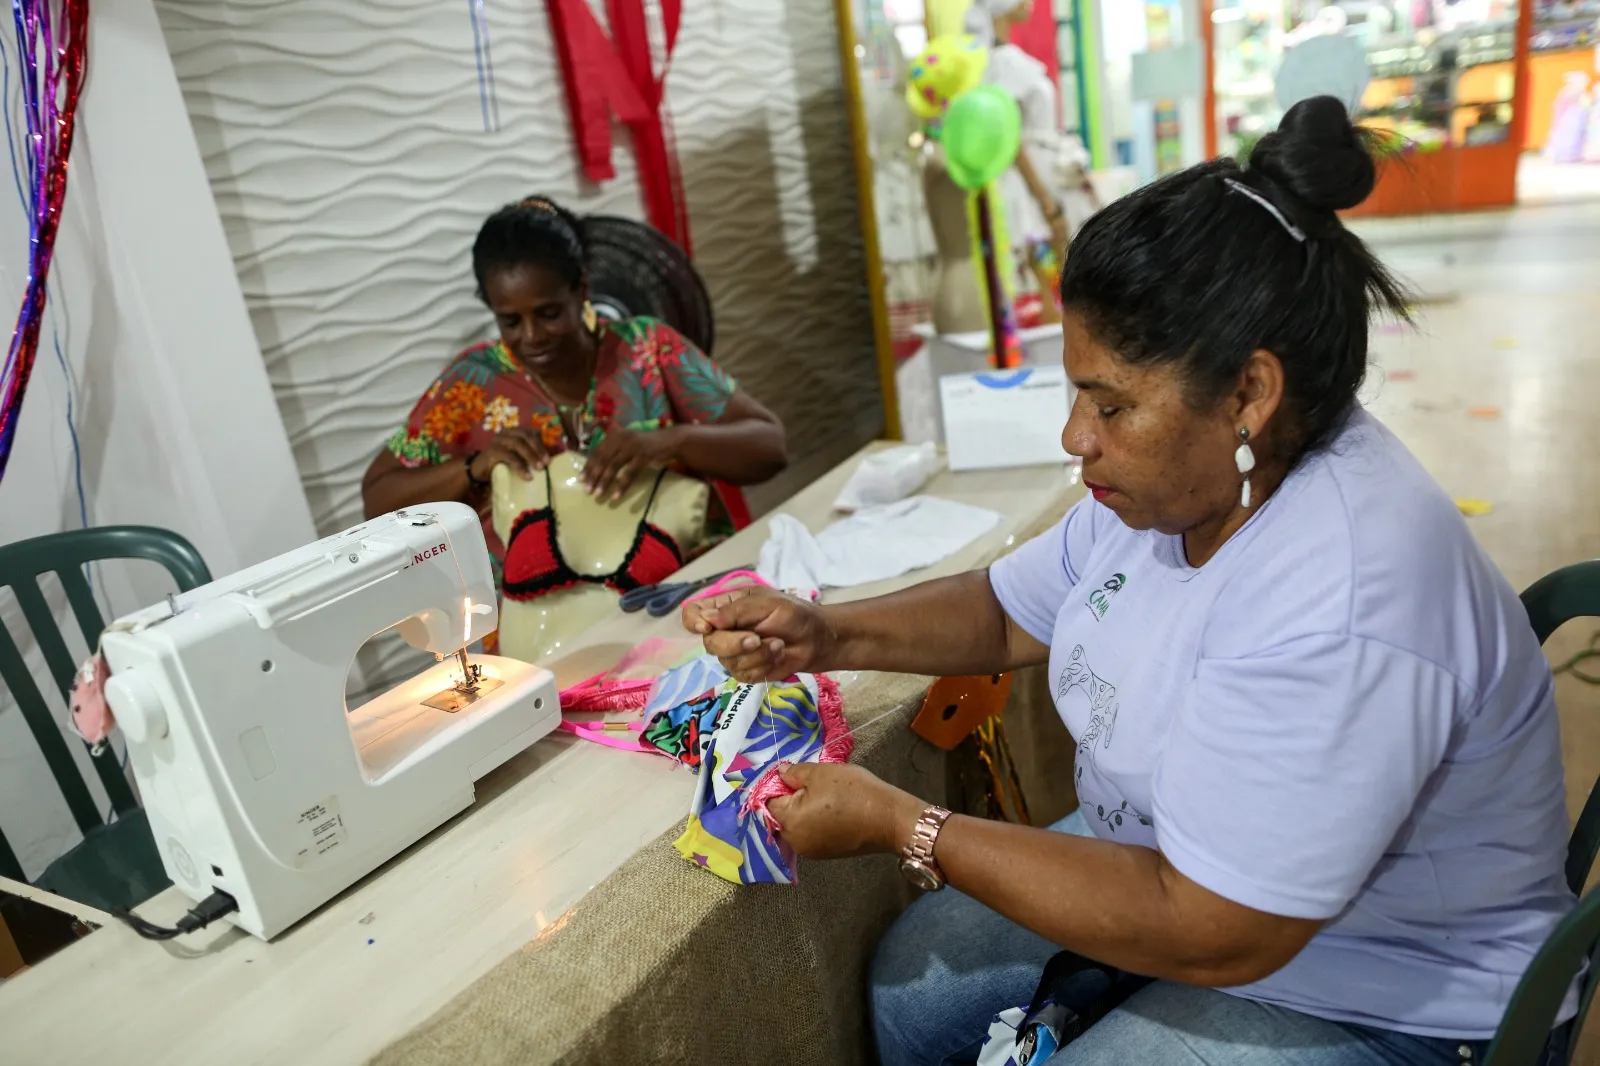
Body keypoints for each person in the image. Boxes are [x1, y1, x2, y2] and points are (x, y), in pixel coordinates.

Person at [682, 98, 1575, 1065]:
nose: (1077, 439)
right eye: (1078, 394)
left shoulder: (1348, 591)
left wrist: (908, 823)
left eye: (1111, 404)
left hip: (1377, 992)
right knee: (912, 990)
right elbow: (1005, 605)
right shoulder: (1183, 492)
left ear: (1248, 393)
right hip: (1184, 870)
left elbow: (1213, 926)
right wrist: (827, 634)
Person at [361, 195, 788, 591]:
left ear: (581, 289)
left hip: (682, 588)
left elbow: (770, 447)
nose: (532, 337)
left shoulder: (646, 349)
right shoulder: (473, 383)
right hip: (552, 620)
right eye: (510, 321)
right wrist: (475, 467)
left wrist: (669, 441)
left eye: (548, 314)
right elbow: (379, 503)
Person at [966, 0, 1099, 321]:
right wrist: (1044, 199)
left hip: (1044, 173)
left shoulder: (1006, 61)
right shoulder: (1001, 65)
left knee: (1061, 277)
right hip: (1031, 181)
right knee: (1049, 281)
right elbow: (1010, 138)